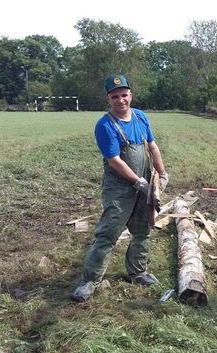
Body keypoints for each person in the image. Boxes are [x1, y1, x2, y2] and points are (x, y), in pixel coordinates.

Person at [72, 74, 169, 302]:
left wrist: (162, 174)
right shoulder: (105, 125)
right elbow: (115, 161)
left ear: (130, 95)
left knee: (143, 231)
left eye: (124, 95)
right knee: (108, 233)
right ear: (108, 99)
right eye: (115, 96)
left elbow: (153, 147)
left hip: (144, 186)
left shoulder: (141, 117)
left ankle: (138, 272)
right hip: (119, 189)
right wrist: (138, 182)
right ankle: (90, 280)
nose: (120, 100)